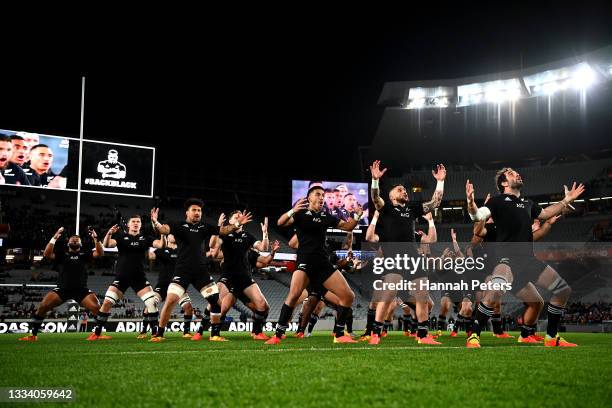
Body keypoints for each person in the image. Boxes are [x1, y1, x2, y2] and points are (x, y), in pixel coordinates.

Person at [465, 168, 584, 348]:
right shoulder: (497, 201)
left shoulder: (528, 203)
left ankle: (551, 337)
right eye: (511, 173)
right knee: (496, 291)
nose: (516, 174)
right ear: (504, 183)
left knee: (562, 290)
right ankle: (474, 335)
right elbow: (478, 216)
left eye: (516, 172)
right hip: (507, 260)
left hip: (528, 260)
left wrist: (566, 200)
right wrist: (470, 202)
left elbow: (545, 214)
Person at [266, 185, 363, 345]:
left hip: (323, 263)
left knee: (348, 296)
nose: (321, 197)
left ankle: (339, 335)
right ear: (309, 198)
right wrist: (293, 210)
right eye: (318, 194)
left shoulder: (327, 216)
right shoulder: (300, 214)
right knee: (294, 294)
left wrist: (358, 216)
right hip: (305, 261)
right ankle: (278, 334)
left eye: (323, 195)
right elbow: (280, 222)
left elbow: (348, 226)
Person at [149, 198, 253, 342]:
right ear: (187, 212)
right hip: (182, 271)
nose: (197, 213)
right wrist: (155, 222)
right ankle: (159, 334)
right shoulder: (179, 225)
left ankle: (215, 335)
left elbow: (223, 230)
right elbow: (163, 229)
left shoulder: (204, 227)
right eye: (194, 210)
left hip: (201, 272)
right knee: (171, 299)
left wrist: (237, 224)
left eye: (199, 210)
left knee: (216, 301)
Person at [368, 160, 446, 345]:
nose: (404, 191)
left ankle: (423, 335)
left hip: (413, 258)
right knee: (387, 296)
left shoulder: (411, 209)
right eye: (399, 190)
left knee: (422, 296)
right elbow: (375, 197)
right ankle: (375, 334)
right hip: (394, 258)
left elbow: (435, 203)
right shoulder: (385, 208)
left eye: (405, 189)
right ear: (392, 196)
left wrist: (440, 181)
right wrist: (375, 180)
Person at [19, 227, 104, 341]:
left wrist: (95, 238)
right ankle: (33, 335)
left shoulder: (85, 255)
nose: (74, 240)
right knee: (43, 306)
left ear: (81, 243)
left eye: (77, 239)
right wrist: (54, 238)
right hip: (62, 289)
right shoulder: (62, 255)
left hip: (81, 290)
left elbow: (100, 253)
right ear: (68, 242)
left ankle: (97, 335)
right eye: (72, 239)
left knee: (97, 308)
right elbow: (47, 254)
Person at [91, 215, 158, 340]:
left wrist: (162, 234)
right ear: (128, 224)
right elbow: (107, 244)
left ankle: (156, 334)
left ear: (141, 225)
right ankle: (97, 333)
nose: (136, 223)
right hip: (121, 277)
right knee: (106, 303)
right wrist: (109, 233)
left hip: (139, 277)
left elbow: (160, 244)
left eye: (138, 221)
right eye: (133, 221)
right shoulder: (121, 237)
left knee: (151, 303)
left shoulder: (146, 238)